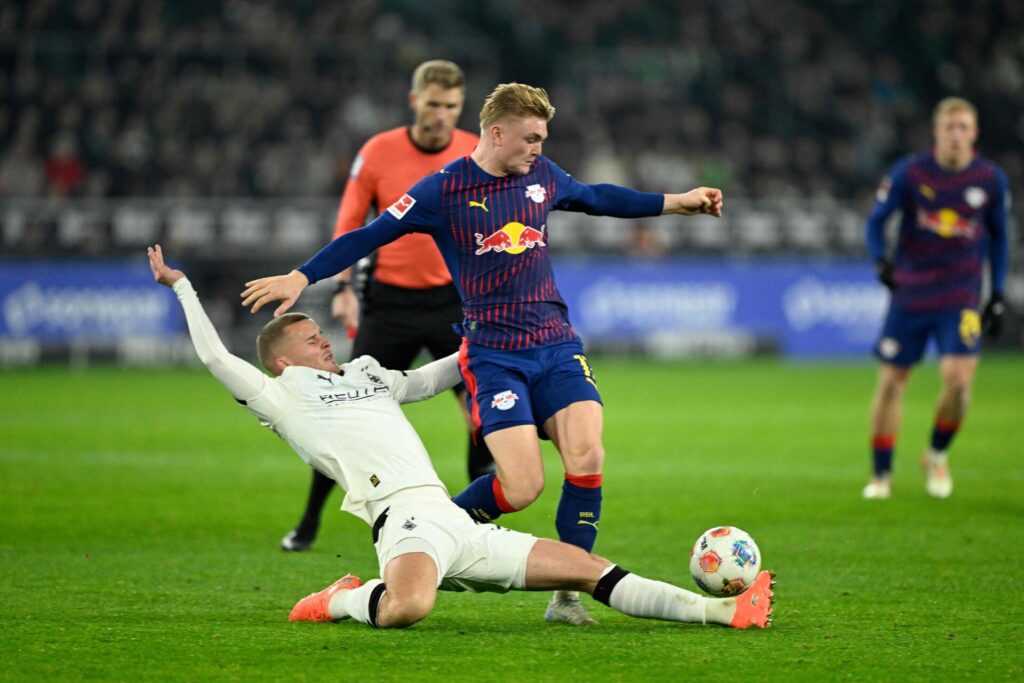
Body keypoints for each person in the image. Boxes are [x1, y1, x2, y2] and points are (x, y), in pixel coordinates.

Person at [240, 82, 723, 624]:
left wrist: (677, 202)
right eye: (530, 138)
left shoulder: (541, 175)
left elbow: (596, 197)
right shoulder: (440, 192)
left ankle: (565, 597)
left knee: (587, 457)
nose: (539, 148)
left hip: (556, 341)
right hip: (492, 353)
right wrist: (301, 276)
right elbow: (367, 236)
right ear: (497, 133)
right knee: (522, 487)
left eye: (543, 138)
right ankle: (437, 536)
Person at [148, 244, 774, 631]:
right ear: (282, 360)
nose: (325, 341)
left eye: (321, 334)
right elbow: (213, 357)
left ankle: (719, 610)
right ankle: (343, 598)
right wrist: (183, 287)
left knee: (584, 569)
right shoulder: (279, 397)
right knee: (409, 609)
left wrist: (485, 337)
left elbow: (429, 378)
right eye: (312, 340)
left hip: (454, 519)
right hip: (402, 522)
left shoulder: (366, 374)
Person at [281, 60, 495, 553]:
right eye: (434, 103)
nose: (441, 114)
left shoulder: (474, 151)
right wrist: (342, 289)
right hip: (388, 304)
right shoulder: (377, 151)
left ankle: (471, 525)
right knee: (349, 412)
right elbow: (350, 223)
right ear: (414, 99)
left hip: (453, 304)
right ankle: (310, 520)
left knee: (481, 412)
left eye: (452, 106)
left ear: (462, 108)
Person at [862, 97, 1009, 500]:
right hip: (910, 292)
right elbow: (875, 222)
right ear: (937, 132)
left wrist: (996, 293)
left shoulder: (990, 179)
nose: (957, 135)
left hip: (960, 295)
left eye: (964, 127)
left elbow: (1000, 239)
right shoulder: (911, 172)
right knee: (892, 381)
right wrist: (881, 262)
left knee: (960, 382)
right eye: (950, 127)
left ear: (974, 133)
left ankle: (936, 454)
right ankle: (881, 476)